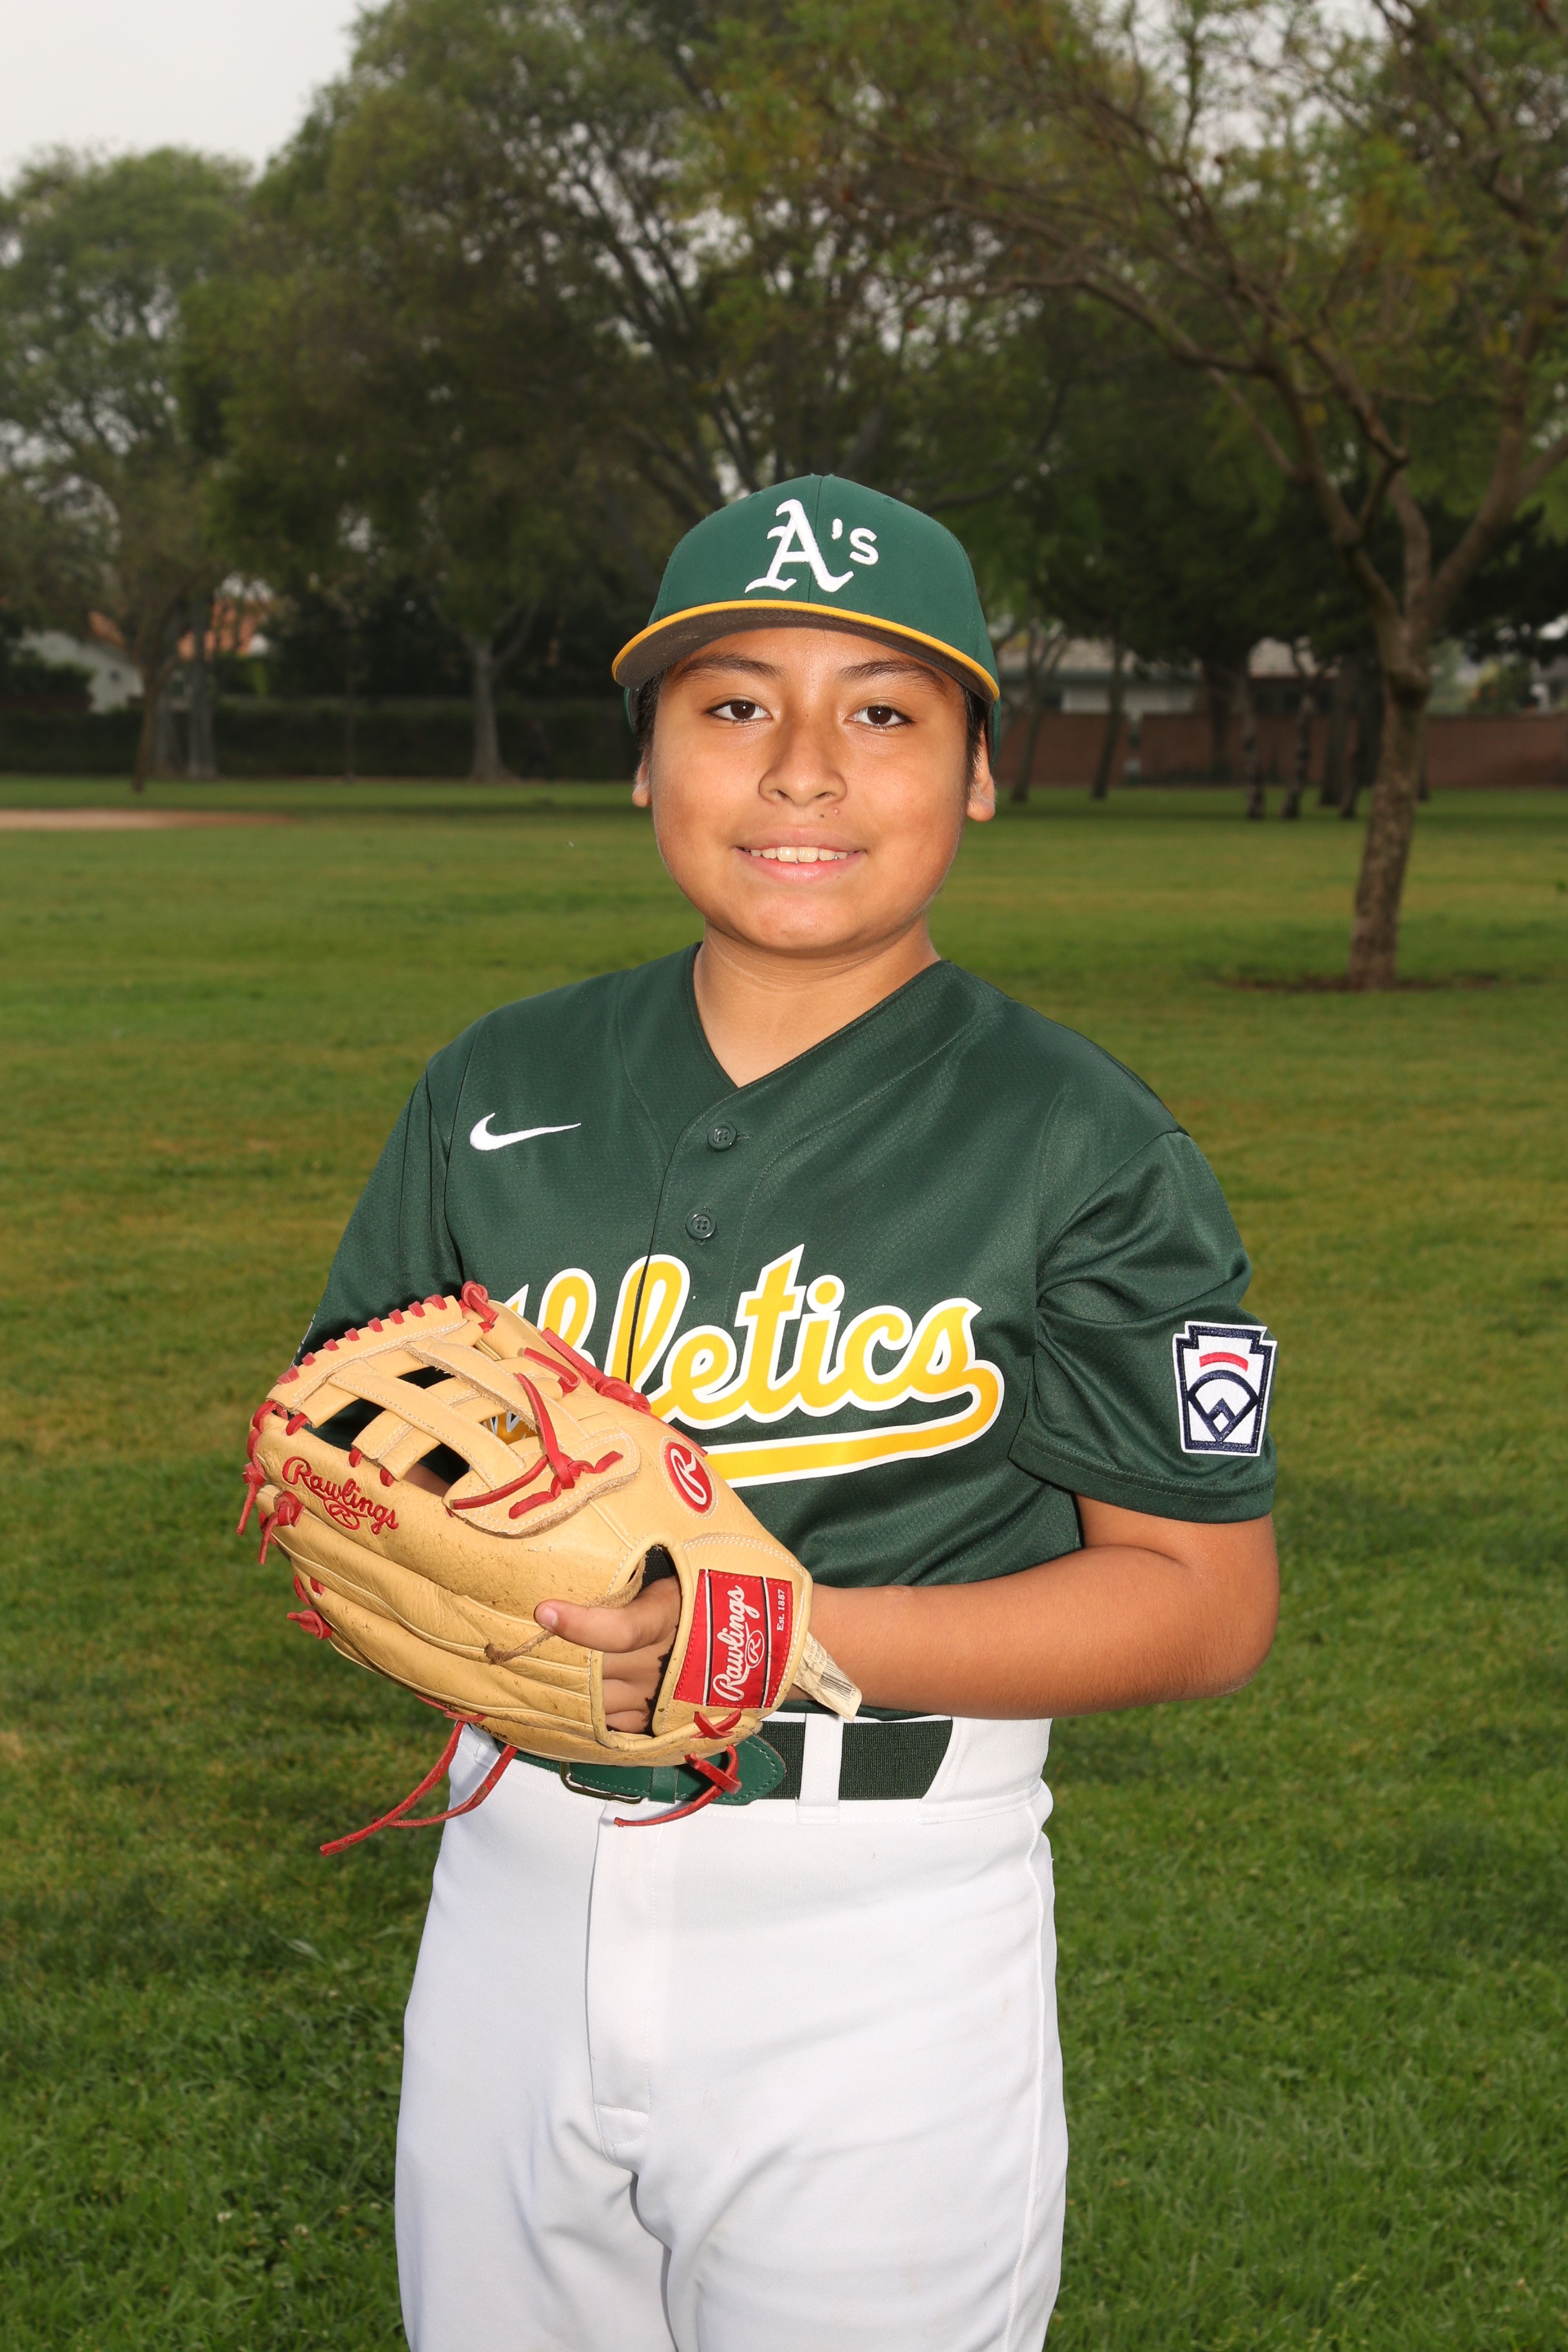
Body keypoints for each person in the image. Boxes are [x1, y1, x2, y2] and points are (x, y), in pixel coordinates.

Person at [299, 475, 1279, 2352]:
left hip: (878, 1922)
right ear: (646, 759)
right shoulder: (495, 1083)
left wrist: (782, 1633)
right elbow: (352, 1441)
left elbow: (1205, 1603)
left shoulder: (1082, 1141)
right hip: (511, 1879)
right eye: (734, 703)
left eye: (884, 711)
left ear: (981, 772)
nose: (803, 769)